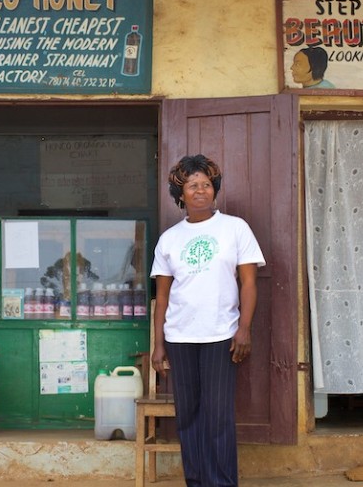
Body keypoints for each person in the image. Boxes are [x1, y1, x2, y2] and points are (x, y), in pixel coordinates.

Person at [150, 154, 265, 487]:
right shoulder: (170, 239)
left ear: (214, 190)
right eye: (192, 185)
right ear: (180, 194)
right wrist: (158, 344)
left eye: (206, 184)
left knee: (217, 417)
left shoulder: (235, 228)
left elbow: (248, 283)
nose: (200, 190)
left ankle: (223, 483)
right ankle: (197, 481)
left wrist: (244, 329)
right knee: (188, 417)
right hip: (180, 337)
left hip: (220, 335)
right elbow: (163, 297)